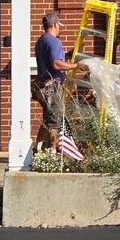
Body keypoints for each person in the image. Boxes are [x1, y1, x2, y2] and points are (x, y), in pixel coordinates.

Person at [32, 10, 85, 145]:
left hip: (41, 86)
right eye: (59, 25)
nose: (59, 28)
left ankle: (37, 150)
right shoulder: (54, 41)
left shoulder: (42, 40)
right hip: (52, 87)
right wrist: (76, 65)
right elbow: (56, 64)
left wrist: (70, 55)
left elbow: (55, 60)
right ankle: (52, 153)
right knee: (55, 120)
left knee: (48, 120)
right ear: (54, 24)